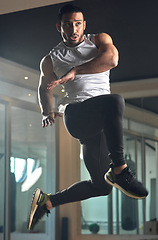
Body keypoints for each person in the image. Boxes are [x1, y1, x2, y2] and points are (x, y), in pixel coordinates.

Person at [28, 3, 148, 231]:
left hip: (101, 124)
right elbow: (44, 87)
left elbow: (112, 60)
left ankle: (48, 201)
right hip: (77, 115)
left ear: (84, 25)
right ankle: (120, 170)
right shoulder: (51, 59)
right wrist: (46, 111)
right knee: (114, 101)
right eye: (67, 24)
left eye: (77, 23)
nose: (73, 28)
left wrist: (76, 71)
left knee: (101, 187)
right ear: (59, 27)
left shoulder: (99, 40)